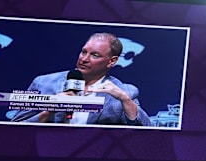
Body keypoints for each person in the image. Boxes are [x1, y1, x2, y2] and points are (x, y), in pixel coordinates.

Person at [10, 32, 151, 126]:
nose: (84, 59)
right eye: (84, 52)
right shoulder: (43, 83)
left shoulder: (125, 91)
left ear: (111, 61)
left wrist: (125, 100)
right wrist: (50, 109)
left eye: (95, 55)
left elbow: (147, 133)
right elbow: (15, 126)